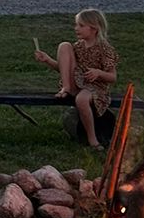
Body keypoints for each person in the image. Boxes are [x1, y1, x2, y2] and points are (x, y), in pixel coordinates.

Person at [33, 8, 118, 149]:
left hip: (95, 88)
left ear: (94, 28)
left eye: (81, 25)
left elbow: (113, 77)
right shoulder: (78, 46)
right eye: (76, 25)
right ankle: (66, 87)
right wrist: (47, 60)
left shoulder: (105, 49)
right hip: (76, 84)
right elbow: (64, 69)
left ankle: (92, 140)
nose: (76, 28)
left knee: (81, 99)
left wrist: (98, 73)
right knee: (64, 46)